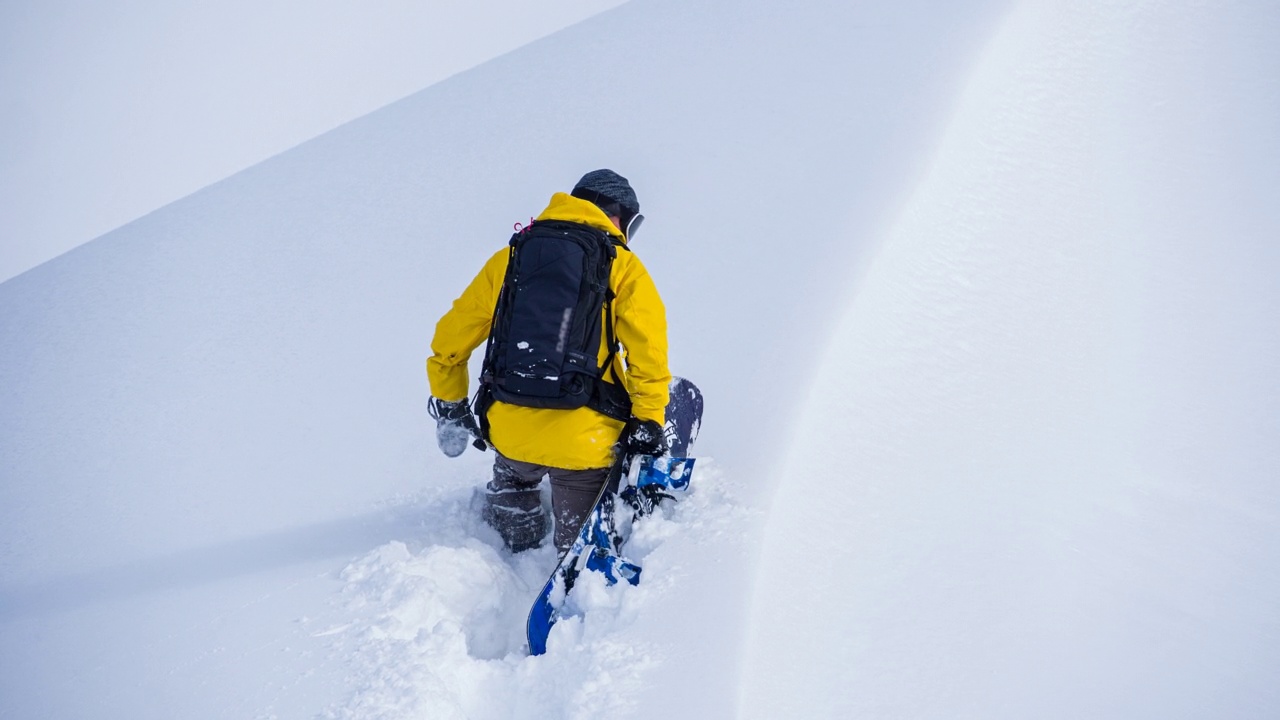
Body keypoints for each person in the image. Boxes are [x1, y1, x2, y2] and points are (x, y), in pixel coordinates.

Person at [427, 169, 671, 553]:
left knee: (515, 477)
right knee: (577, 552)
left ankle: (513, 539)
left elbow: (449, 341)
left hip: (509, 430)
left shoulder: (510, 258)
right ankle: (571, 566)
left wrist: (451, 402)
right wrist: (649, 421)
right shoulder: (623, 267)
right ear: (618, 216)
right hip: (584, 441)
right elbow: (647, 358)